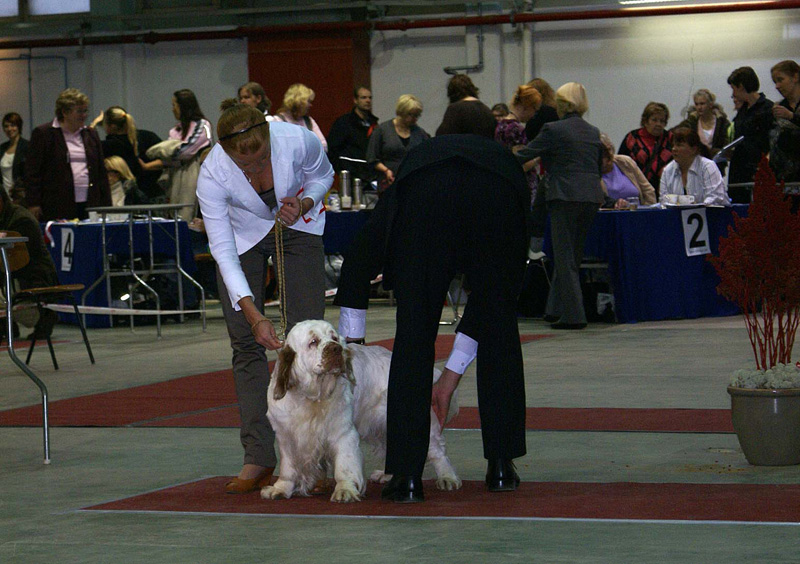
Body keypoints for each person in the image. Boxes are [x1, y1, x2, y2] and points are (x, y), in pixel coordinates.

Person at [337, 135, 529, 503]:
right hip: (497, 197)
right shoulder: (502, 165)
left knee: (414, 331)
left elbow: (361, 257)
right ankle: (502, 467)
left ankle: (407, 478)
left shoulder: (420, 165)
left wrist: (353, 347)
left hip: (425, 202)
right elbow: (492, 302)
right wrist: (450, 376)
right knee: (500, 325)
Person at [196, 100, 333, 494]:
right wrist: (254, 314)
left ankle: (316, 460)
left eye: (260, 162)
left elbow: (322, 175)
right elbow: (222, 251)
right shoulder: (212, 174)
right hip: (241, 235)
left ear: (270, 139)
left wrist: (305, 201)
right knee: (244, 341)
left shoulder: (298, 139)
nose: (255, 172)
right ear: (225, 152)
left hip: (298, 222)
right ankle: (258, 454)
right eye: (246, 167)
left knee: (310, 342)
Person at [516, 82, 604, 330]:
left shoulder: (553, 129)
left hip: (564, 196)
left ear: (562, 104)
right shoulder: (592, 131)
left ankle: (574, 316)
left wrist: (500, 156)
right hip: (590, 196)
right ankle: (554, 309)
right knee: (573, 255)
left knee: (563, 257)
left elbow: (526, 154)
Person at [25, 88, 111, 221]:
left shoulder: (91, 134)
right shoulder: (44, 133)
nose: (84, 115)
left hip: (90, 202)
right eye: (79, 111)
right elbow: (32, 172)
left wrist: (107, 205)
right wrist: (33, 202)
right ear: (64, 112)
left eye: (85, 111)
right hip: (57, 204)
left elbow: (101, 172)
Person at [140, 89, 212, 220]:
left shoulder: (203, 125)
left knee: (189, 214)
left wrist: (168, 151)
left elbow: (186, 151)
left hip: (196, 177)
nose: (172, 109)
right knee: (175, 216)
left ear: (184, 106)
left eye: (174, 105)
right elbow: (169, 159)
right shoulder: (175, 130)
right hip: (175, 180)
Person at [0, 185, 59, 340]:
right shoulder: (8, 215)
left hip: (32, 274)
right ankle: (7, 325)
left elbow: (22, 259)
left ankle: (44, 317)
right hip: (11, 271)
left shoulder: (21, 219)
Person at [727, 66, 774, 202]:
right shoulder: (743, 109)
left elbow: (770, 141)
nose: (733, 94)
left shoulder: (767, 109)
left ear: (741, 86)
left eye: (734, 89)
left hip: (757, 168)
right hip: (739, 168)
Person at [366, 94, 429, 191]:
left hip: (412, 184)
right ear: (402, 112)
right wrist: (386, 170)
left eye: (417, 115)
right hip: (387, 184)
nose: (414, 119)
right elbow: (372, 158)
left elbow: (426, 157)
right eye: (411, 115)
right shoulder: (382, 130)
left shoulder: (420, 133)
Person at [659, 127, 730, 206]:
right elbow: (664, 201)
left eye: (679, 145)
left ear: (694, 149)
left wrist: (691, 206)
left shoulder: (708, 166)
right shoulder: (667, 170)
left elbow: (715, 198)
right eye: (673, 145)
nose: (674, 149)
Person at [618, 102, 674, 197]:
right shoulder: (632, 138)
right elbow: (621, 164)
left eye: (662, 121)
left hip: (664, 191)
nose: (658, 124)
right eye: (654, 120)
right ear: (645, 121)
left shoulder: (670, 139)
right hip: (636, 190)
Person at [327, 86, 379, 180]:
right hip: (350, 174)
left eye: (370, 98)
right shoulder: (344, 122)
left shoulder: (374, 124)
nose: (368, 100)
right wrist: (341, 170)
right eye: (363, 97)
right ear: (355, 100)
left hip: (370, 174)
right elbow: (332, 148)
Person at [675, 89, 731, 172]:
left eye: (702, 104)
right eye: (697, 104)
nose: (699, 107)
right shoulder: (691, 122)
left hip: (716, 167)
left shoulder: (722, 123)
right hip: (694, 166)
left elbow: (727, 144)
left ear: (710, 104)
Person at [599, 133, 656, 208]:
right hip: (611, 216)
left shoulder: (626, 162)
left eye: (610, 149)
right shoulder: (591, 173)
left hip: (639, 213)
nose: (609, 154)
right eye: (604, 153)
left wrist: (649, 212)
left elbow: (648, 190)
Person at [268, 83, 327, 152]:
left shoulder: (308, 121)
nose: (310, 105)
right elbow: (275, 149)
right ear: (300, 102)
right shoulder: (277, 121)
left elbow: (324, 146)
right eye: (308, 102)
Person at [769, 60, 800, 182]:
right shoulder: (779, 107)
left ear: (795, 77)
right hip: (784, 178)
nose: (777, 86)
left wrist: (792, 117)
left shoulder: (785, 112)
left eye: (780, 80)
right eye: (775, 82)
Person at [0, 112, 28, 198]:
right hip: (4, 197)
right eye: (6, 126)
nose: (9, 129)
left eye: (13, 125)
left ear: (19, 127)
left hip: (21, 196)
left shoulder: (27, 147)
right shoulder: (1, 148)